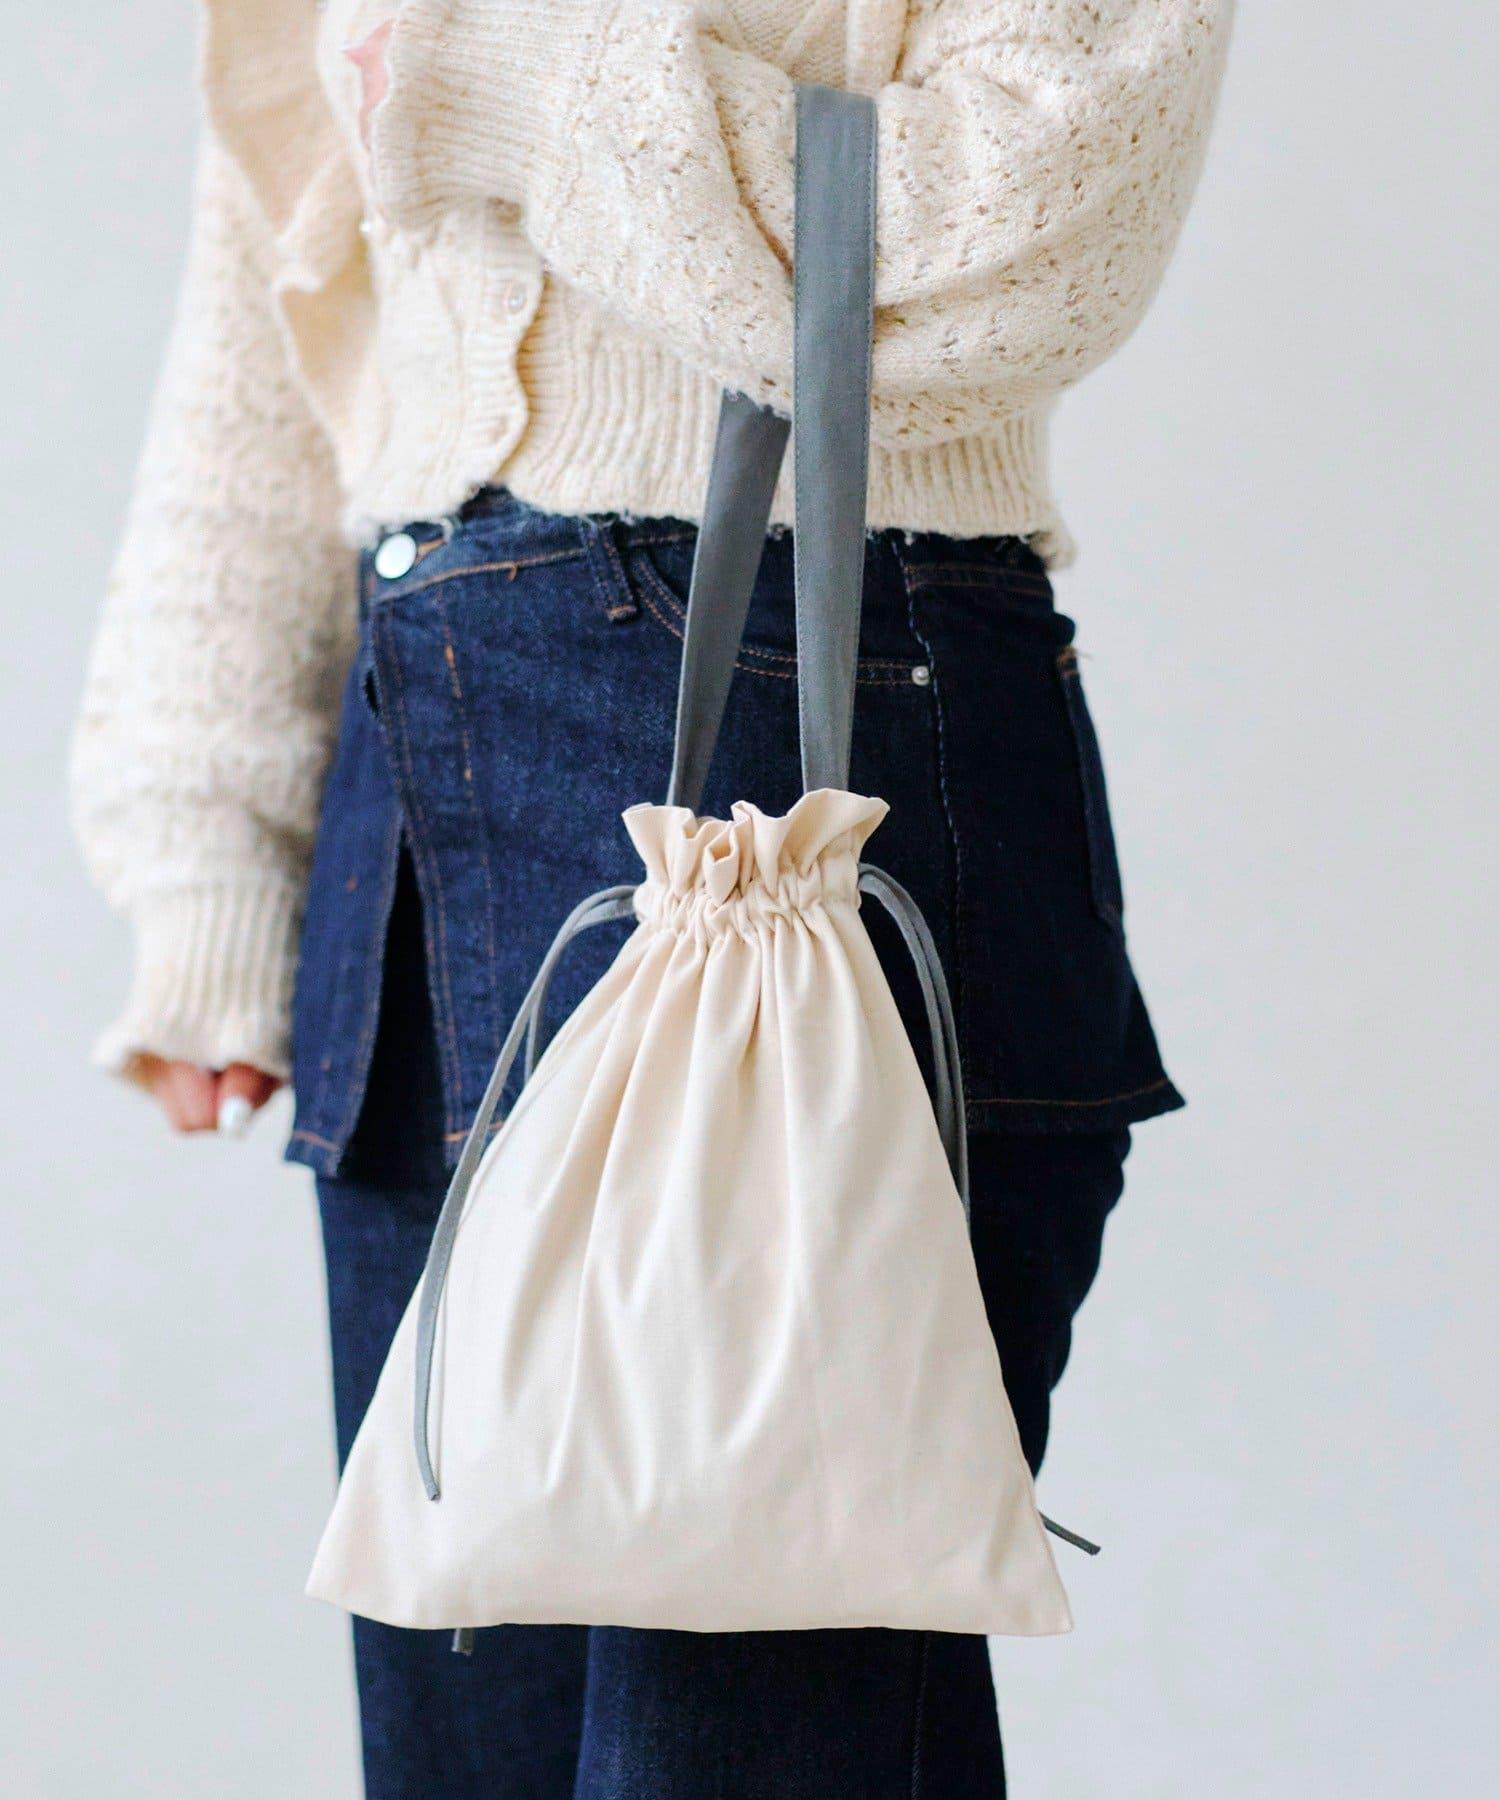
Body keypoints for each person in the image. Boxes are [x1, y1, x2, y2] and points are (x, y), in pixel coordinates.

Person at [71, 2, 1232, 1793]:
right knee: (473, 1730)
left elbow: (1018, 244)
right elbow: (278, 317)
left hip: (800, 747)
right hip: (419, 784)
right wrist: (202, 846)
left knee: (760, 1726)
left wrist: (498, 73)